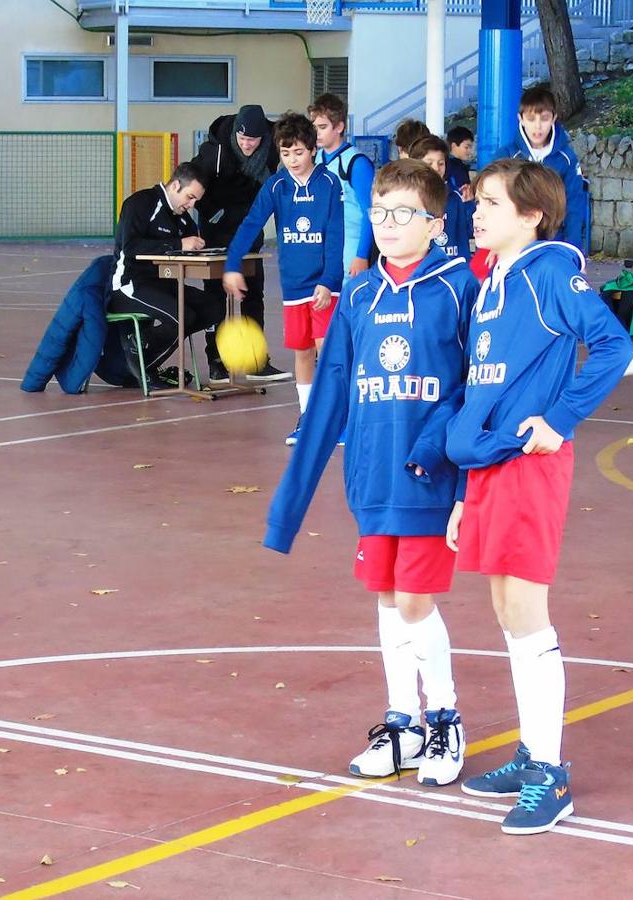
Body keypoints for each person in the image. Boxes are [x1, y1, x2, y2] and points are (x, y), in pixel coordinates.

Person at [263, 159, 478, 787]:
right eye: (379, 213)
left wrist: (443, 452)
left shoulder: (459, 287)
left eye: (403, 214)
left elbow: (475, 388)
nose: (387, 224)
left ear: (437, 224)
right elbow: (329, 394)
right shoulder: (357, 295)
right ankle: (402, 722)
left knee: (416, 600)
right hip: (372, 478)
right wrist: (290, 506)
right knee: (387, 600)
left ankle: (445, 718)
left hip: (429, 481)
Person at [446, 159, 633, 835]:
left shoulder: (551, 271)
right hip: (492, 466)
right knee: (503, 605)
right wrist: (466, 492)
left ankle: (550, 775)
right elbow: (482, 395)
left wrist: (560, 420)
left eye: (491, 203)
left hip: (530, 462)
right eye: (477, 202)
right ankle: (531, 754)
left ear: (530, 215)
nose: (477, 212)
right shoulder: (493, 281)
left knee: (526, 608)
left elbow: (611, 344)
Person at [221, 112, 344, 445]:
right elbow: (251, 224)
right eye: (286, 154)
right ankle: (307, 417)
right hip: (294, 287)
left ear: (313, 149)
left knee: (327, 350)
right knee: (302, 352)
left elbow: (335, 235)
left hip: (324, 286)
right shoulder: (276, 185)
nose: (293, 160)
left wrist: (330, 280)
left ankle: (336, 418)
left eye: (299, 153)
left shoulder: (329, 184)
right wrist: (232, 264)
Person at [192, 103, 290, 384]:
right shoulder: (215, 152)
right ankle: (216, 361)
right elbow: (195, 186)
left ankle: (257, 362)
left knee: (252, 292)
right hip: (215, 229)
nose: (247, 144)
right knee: (215, 296)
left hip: (249, 229)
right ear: (235, 133)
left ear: (264, 138)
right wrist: (214, 214)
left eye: (253, 140)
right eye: (243, 138)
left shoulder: (272, 148)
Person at [109, 162, 223, 390]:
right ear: (176, 185)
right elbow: (130, 247)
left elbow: (191, 240)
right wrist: (178, 243)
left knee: (215, 308)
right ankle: (141, 361)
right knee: (183, 317)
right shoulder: (140, 203)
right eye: (189, 197)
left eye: (195, 202)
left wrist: (200, 248)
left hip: (164, 284)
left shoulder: (181, 217)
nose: (191, 205)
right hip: (130, 284)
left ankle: (144, 350)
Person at [511, 86, 589, 251]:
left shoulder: (567, 158)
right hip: (516, 241)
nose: (538, 126)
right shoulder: (507, 156)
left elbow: (574, 204)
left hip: (554, 241)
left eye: (544, 118)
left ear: (554, 118)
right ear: (521, 119)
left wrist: (574, 250)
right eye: (531, 119)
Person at [308, 93, 375, 279]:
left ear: (339, 127)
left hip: (350, 249)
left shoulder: (357, 163)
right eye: (314, 127)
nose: (317, 133)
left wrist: (361, 255)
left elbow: (370, 213)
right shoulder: (315, 159)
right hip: (323, 249)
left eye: (322, 127)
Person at [409, 134, 473, 261]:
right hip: (421, 271)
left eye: (441, 163)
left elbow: (472, 229)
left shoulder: (456, 197)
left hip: (454, 271)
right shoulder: (407, 200)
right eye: (429, 163)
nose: (436, 168)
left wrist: (471, 204)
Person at [445, 125, 475, 200]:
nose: (470, 151)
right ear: (454, 146)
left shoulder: (461, 166)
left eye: (470, 147)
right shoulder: (450, 166)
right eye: (466, 147)